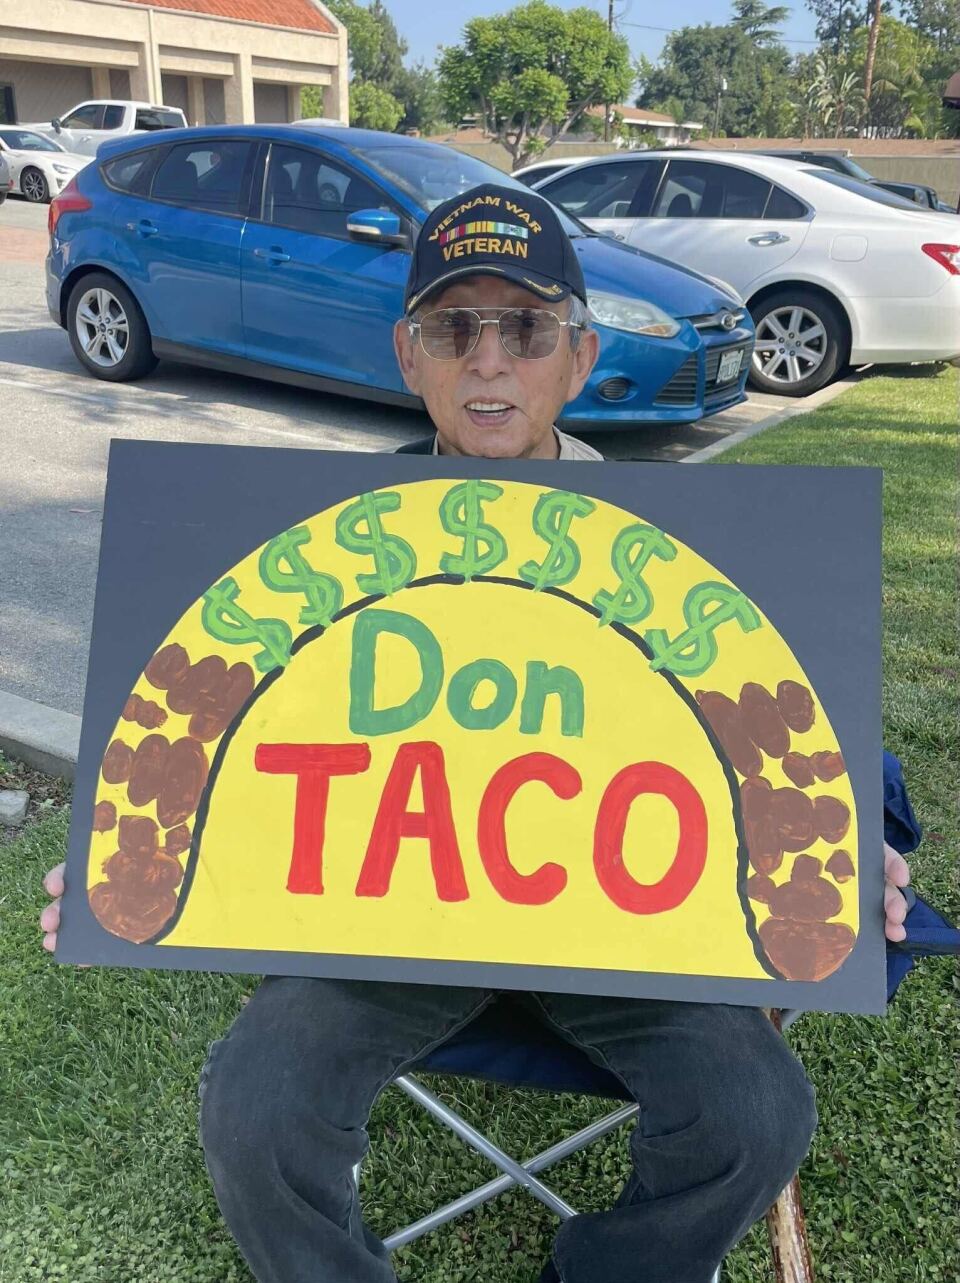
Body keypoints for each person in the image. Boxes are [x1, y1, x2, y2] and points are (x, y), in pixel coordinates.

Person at [40, 184, 912, 1283]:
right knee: (253, 1109)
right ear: (412, 358)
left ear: (580, 356)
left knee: (757, 1110)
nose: (489, 360)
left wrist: (848, 849)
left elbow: (785, 742)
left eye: (527, 327)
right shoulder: (314, 544)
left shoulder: (682, 548)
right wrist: (120, 852)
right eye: (455, 328)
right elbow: (244, 755)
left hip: (625, 929)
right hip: (384, 924)